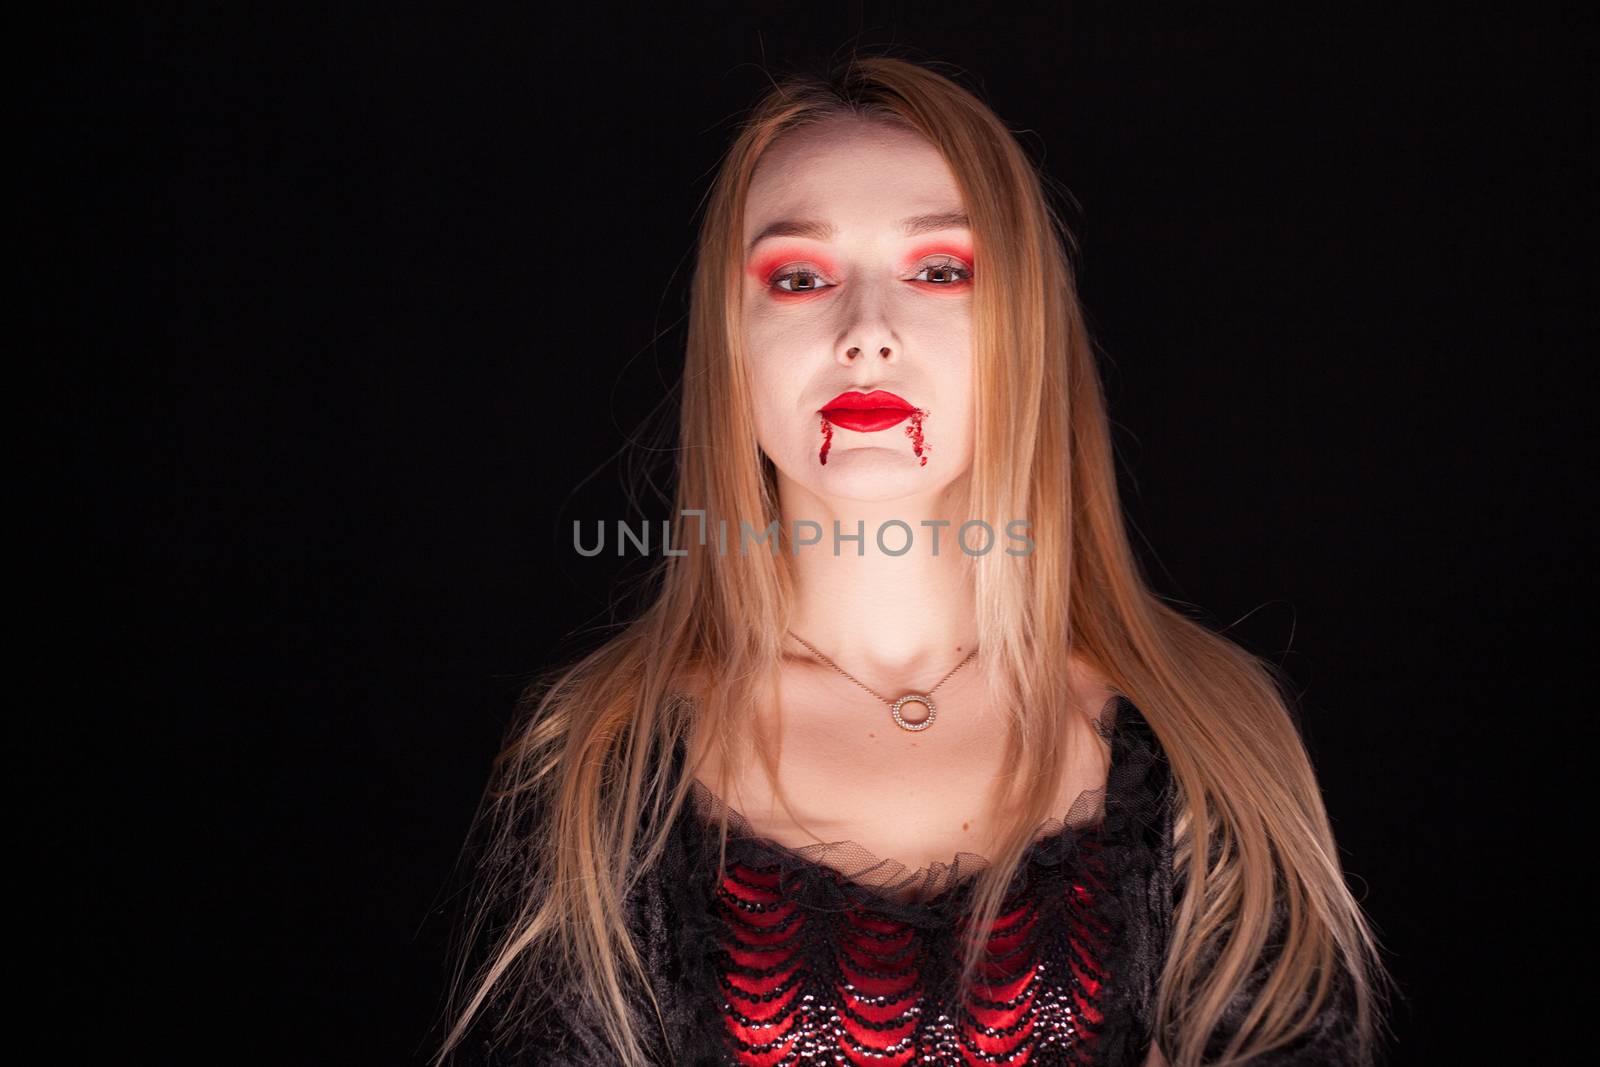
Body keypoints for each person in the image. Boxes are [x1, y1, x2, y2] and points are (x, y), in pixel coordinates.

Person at [434, 54, 1392, 1067]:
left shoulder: (1211, 737)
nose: (866, 335)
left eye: (939, 269)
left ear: (1023, 324)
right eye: (798, 278)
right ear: (731, 343)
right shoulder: (597, 764)